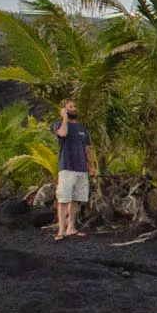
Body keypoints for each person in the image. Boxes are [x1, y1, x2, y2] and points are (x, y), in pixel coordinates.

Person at [53, 100, 91, 239]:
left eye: (75, 106)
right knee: (63, 199)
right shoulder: (59, 124)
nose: (74, 109)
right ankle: (61, 230)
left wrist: (91, 166)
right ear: (63, 109)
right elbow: (62, 134)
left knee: (75, 199)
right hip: (67, 167)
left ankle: (71, 227)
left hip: (81, 168)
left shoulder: (82, 128)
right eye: (70, 107)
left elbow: (87, 148)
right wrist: (64, 118)